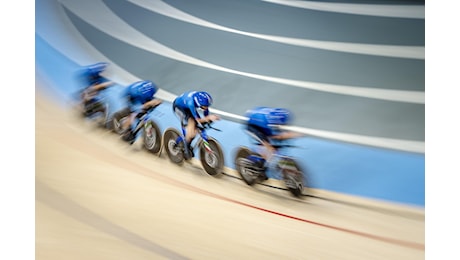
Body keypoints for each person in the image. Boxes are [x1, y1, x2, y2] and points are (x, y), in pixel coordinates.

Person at [244, 106, 302, 179]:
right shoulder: (266, 122)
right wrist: (268, 146)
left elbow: (281, 133)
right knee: (267, 145)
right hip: (253, 127)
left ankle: (263, 160)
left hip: (261, 122)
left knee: (274, 142)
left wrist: (291, 135)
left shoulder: (277, 119)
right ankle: (254, 162)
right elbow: (269, 137)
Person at [172, 91, 220, 159]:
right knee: (191, 124)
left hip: (187, 107)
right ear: (199, 103)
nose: (206, 108)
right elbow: (198, 120)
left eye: (207, 106)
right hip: (179, 107)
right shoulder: (191, 103)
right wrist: (208, 118)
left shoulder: (203, 102)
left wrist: (208, 119)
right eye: (205, 106)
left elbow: (206, 115)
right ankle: (186, 147)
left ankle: (188, 140)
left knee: (197, 125)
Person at [121, 80, 163, 144]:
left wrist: (155, 102)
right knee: (133, 113)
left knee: (146, 109)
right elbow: (144, 105)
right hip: (130, 94)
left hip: (139, 92)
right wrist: (151, 103)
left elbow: (150, 101)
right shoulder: (139, 94)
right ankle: (124, 129)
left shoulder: (149, 91)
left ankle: (140, 125)